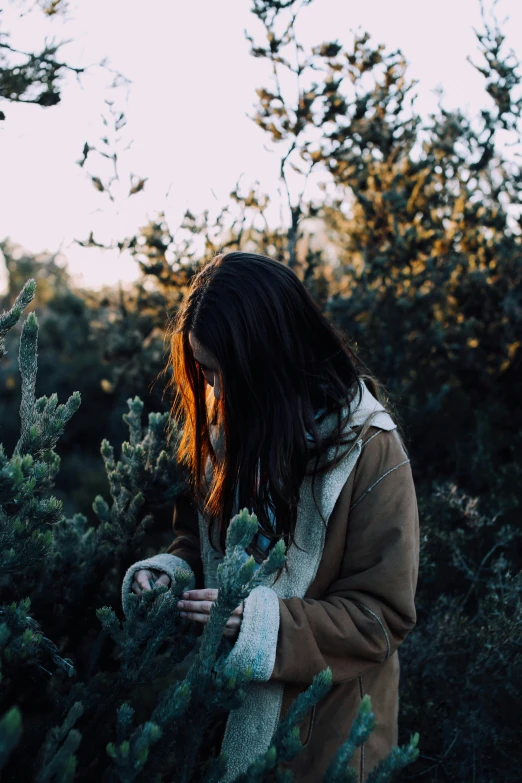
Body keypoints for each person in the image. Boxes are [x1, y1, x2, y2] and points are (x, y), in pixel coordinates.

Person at [121, 251, 420, 783]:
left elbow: (380, 618)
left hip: (325, 743)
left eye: (220, 373)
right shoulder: (227, 429)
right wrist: (172, 573)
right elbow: (200, 538)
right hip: (224, 723)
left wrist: (264, 625)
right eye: (205, 372)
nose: (213, 392)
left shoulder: (371, 451)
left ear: (269, 362)